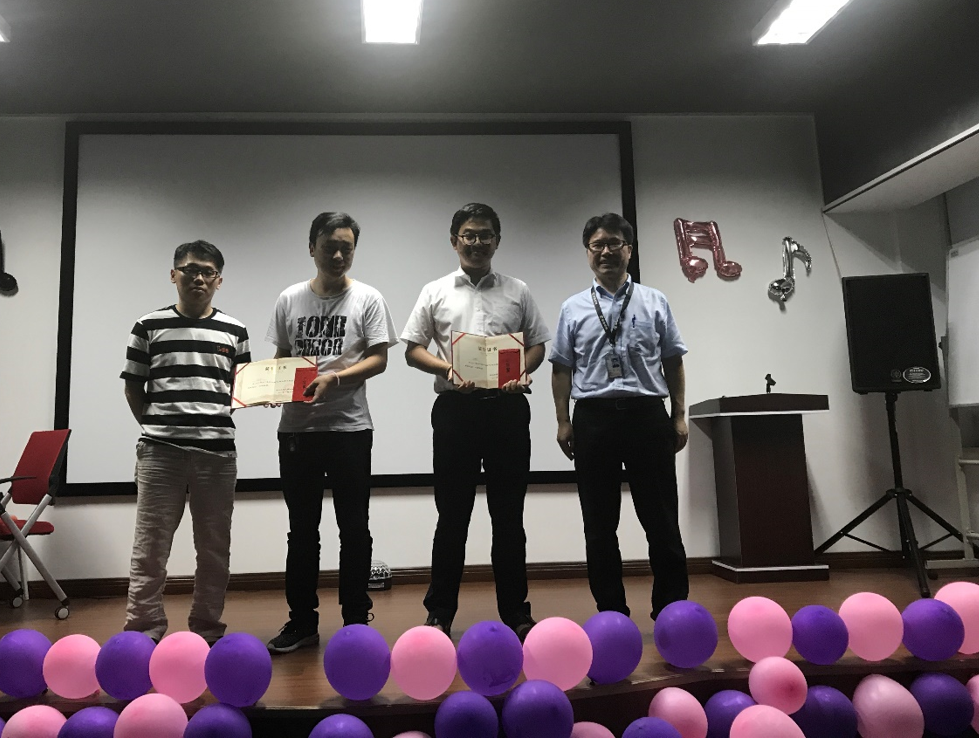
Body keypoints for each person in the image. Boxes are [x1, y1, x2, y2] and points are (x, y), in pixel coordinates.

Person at [402, 203, 551, 642]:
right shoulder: (435, 291)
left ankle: (516, 612)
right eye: (469, 234)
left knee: (509, 517)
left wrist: (521, 371)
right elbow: (412, 349)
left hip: (507, 410)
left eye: (486, 235)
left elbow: (538, 345)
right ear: (455, 241)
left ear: (497, 241)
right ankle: (439, 612)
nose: (477, 242)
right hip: (456, 412)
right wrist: (447, 369)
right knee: (452, 516)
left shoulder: (518, 290)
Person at [265, 211, 398, 654]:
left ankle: (355, 621)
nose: (338, 255)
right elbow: (283, 355)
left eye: (346, 247)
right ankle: (302, 622)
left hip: (349, 429)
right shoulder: (289, 298)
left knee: (354, 529)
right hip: (297, 430)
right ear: (312, 248)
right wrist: (269, 387)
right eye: (329, 247)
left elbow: (379, 359)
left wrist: (336, 377)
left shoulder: (368, 298)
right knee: (302, 531)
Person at [549, 212, 689, 621]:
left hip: (647, 416)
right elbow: (561, 369)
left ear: (629, 249)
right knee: (599, 524)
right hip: (593, 418)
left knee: (661, 520)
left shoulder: (654, 300)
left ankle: (671, 609)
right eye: (598, 245)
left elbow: (673, 361)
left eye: (614, 243)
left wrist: (679, 415)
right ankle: (611, 612)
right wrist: (563, 421)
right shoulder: (573, 307)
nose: (606, 251)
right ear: (588, 252)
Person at [120, 240, 250, 643]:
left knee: (214, 551)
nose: (198, 278)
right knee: (150, 549)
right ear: (173, 274)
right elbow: (133, 387)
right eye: (190, 269)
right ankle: (143, 632)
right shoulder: (148, 326)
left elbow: (242, 391)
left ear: (219, 280)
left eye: (208, 272)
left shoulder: (236, 331)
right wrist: (159, 428)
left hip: (217, 457)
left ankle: (207, 631)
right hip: (160, 455)